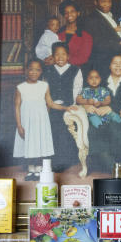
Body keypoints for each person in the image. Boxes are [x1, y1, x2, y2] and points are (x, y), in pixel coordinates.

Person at [43, 42, 83, 172]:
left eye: (63, 54)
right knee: (52, 124)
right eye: (57, 54)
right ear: (53, 57)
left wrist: (71, 106)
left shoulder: (75, 70)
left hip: (68, 105)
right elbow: (45, 90)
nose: (60, 57)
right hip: (52, 106)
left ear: (68, 56)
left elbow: (77, 89)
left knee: (64, 124)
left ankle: (65, 161)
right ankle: (52, 160)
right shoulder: (48, 70)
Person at [14, 58, 55, 181]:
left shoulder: (44, 86)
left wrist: (43, 116)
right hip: (27, 122)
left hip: (40, 122)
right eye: (31, 69)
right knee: (29, 144)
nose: (34, 72)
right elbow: (17, 107)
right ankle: (31, 169)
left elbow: (49, 104)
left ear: (41, 71)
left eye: (37, 70)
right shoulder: (21, 87)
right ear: (26, 70)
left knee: (39, 144)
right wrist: (19, 125)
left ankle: (38, 169)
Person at [80, 0, 121, 75]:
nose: (107, 4)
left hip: (119, 61)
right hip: (104, 63)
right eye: (103, 1)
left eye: (109, 1)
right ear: (96, 2)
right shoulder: (91, 19)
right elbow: (97, 44)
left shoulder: (115, 15)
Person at [56, 0, 92, 66]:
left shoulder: (85, 35)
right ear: (64, 15)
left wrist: (62, 60)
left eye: (72, 11)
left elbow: (83, 58)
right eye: (66, 12)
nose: (69, 14)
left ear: (78, 13)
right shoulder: (58, 32)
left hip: (76, 70)